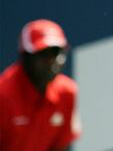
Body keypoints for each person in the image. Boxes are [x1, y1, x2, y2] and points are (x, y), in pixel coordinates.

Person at [0, 19, 82, 151]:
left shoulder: (67, 93)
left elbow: (61, 147)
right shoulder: (3, 96)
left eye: (57, 53)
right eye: (44, 54)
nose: (52, 61)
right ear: (26, 57)